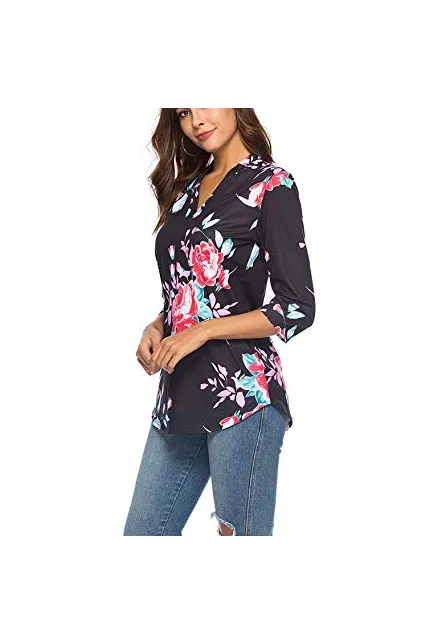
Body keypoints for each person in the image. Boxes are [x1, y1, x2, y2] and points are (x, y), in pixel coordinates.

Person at [123, 106, 316, 536]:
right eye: (183, 112)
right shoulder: (186, 191)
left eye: (205, 101)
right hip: (177, 398)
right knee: (142, 536)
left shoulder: (271, 185)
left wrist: (204, 331)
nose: (196, 120)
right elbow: (193, 291)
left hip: (242, 395)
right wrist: (159, 325)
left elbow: (297, 306)